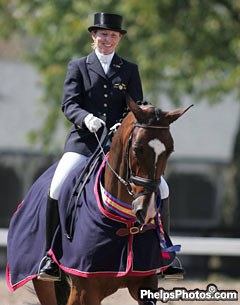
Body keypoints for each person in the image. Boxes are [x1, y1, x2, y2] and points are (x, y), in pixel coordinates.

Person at [37, 12, 184, 281]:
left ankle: (166, 252)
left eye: (113, 35)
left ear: (118, 39)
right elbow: (69, 104)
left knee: (162, 187)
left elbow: (137, 106)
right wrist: (86, 118)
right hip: (84, 141)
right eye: (103, 34)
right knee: (57, 186)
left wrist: (124, 125)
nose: (108, 39)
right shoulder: (78, 66)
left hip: (120, 146)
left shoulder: (129, 69)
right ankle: (51, 256)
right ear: (94, 36)